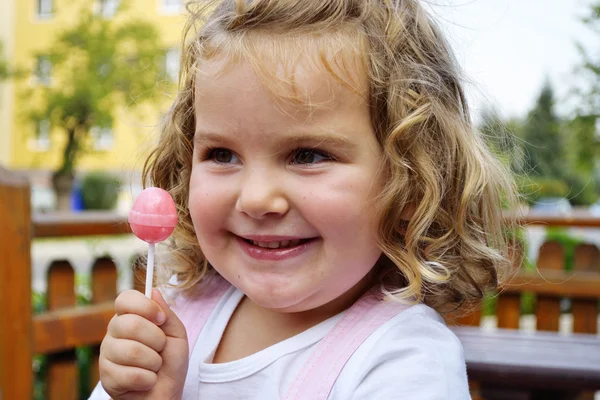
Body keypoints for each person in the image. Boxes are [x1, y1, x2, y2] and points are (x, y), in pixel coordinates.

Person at [90, 0, 518, 398]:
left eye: (307, 155)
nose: (257, 199)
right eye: (222, 154)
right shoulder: (176, 316)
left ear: (412, 182)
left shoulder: (406, 362)